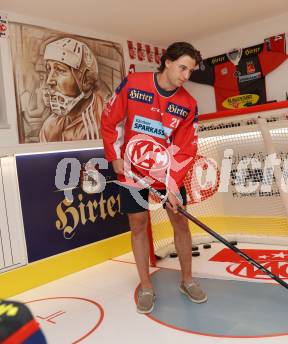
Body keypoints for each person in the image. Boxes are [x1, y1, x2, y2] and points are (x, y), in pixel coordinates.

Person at [101, 42, 205, 314]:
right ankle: (146, 285)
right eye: (182, 67)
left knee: (180, 221)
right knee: (137, 224)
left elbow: (186, 148)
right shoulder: (134, 83)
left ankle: (187, 280)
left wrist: (172, 185)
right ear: (167, 62)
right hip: (131, 170)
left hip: (166, 172)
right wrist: (114, 157)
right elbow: (109, 121)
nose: (186, 75)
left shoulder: (188, 105)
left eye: (190, 71)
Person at [39, 37, 103, 142]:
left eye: (59, 70)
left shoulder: (103, 118)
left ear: (85, 80)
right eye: (49, 69)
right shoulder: (49, 127)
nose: (49, 80)